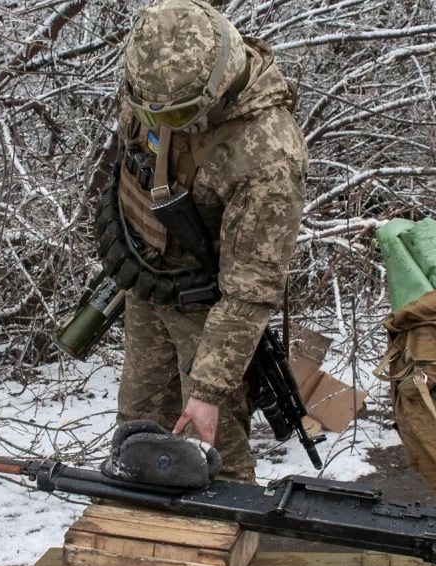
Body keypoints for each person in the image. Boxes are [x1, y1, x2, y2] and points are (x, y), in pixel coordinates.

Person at [90, 0, 306, 483]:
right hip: (147, 280)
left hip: (210, 312)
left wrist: (208, 388)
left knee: (214, 448)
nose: (161, 124)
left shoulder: (267, 155)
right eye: (152, 112)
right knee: (138, 429)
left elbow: (250, 289)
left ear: (216, 84)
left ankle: (219, 544)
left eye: (181, 113)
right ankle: (141, 534)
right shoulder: (156, 79)